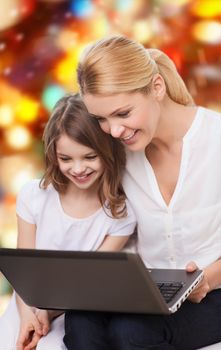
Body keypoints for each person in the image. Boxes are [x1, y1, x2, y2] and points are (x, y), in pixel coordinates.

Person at [63, 35, 221, 350]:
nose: (114, 130)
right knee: (80, 320)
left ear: (157, 88)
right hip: (145, 290)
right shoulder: (119, 154)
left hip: (213, 292)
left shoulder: (215, 140)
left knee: (130, 332)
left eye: (123, 113)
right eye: (101, 119)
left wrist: (210, 277)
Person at [0, 93, 136, 350]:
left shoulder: (120, 214)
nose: (78, 168)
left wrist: (47, 315)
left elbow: (86, 285)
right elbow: (23, 274)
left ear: (107, 152)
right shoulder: (33, 196)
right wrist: (29, 313)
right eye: (66, 159)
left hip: (69, 314)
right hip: (25, 306)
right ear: (54, 155)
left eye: (89, 157)